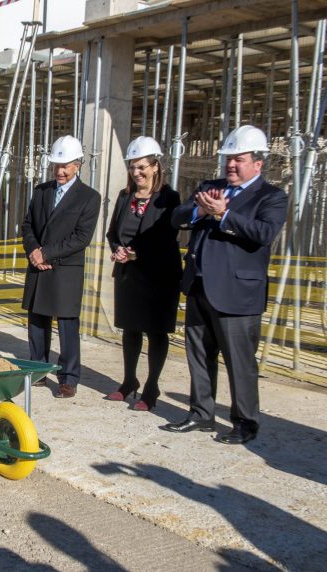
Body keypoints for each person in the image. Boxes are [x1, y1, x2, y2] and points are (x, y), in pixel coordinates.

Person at [162, 125, 288, 444]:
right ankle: (201, 413)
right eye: (228, 159)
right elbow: (177, 217)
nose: (230, 165)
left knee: (239, 362)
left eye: (238, 160)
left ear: (257, 163)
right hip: (199, 286)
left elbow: (263, 233)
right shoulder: (210, 187)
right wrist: (200, 209)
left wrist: (224, 214)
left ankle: (245, 422)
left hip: (237, 294)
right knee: (199, 355)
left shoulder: (271, 197)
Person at [104, 137, 182, 411]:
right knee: (131, 329)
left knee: (156, 331)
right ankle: (129, 381)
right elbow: (112, 232)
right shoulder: (125, 197)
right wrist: (117, 249)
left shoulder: (169, 198)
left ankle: (151, 387)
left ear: (155, 166)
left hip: (158, 276)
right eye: (132, 167)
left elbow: (166, 237)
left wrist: (136, 253)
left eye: (141, 167)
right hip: (128, 275)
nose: (136, 173)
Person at [21, 135, 101, 399]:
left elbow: (81, 237)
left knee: (67, 325)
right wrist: (34, 251)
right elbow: (28, 225)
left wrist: (46, 253)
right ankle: (38, 369)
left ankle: (68, 378)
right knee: (37, 321)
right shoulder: (41, 191)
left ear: (78, 165)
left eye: (65, 166)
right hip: (38, 265)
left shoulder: (89, 197)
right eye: (56, 165)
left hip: (66, 268)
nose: (60, 171)